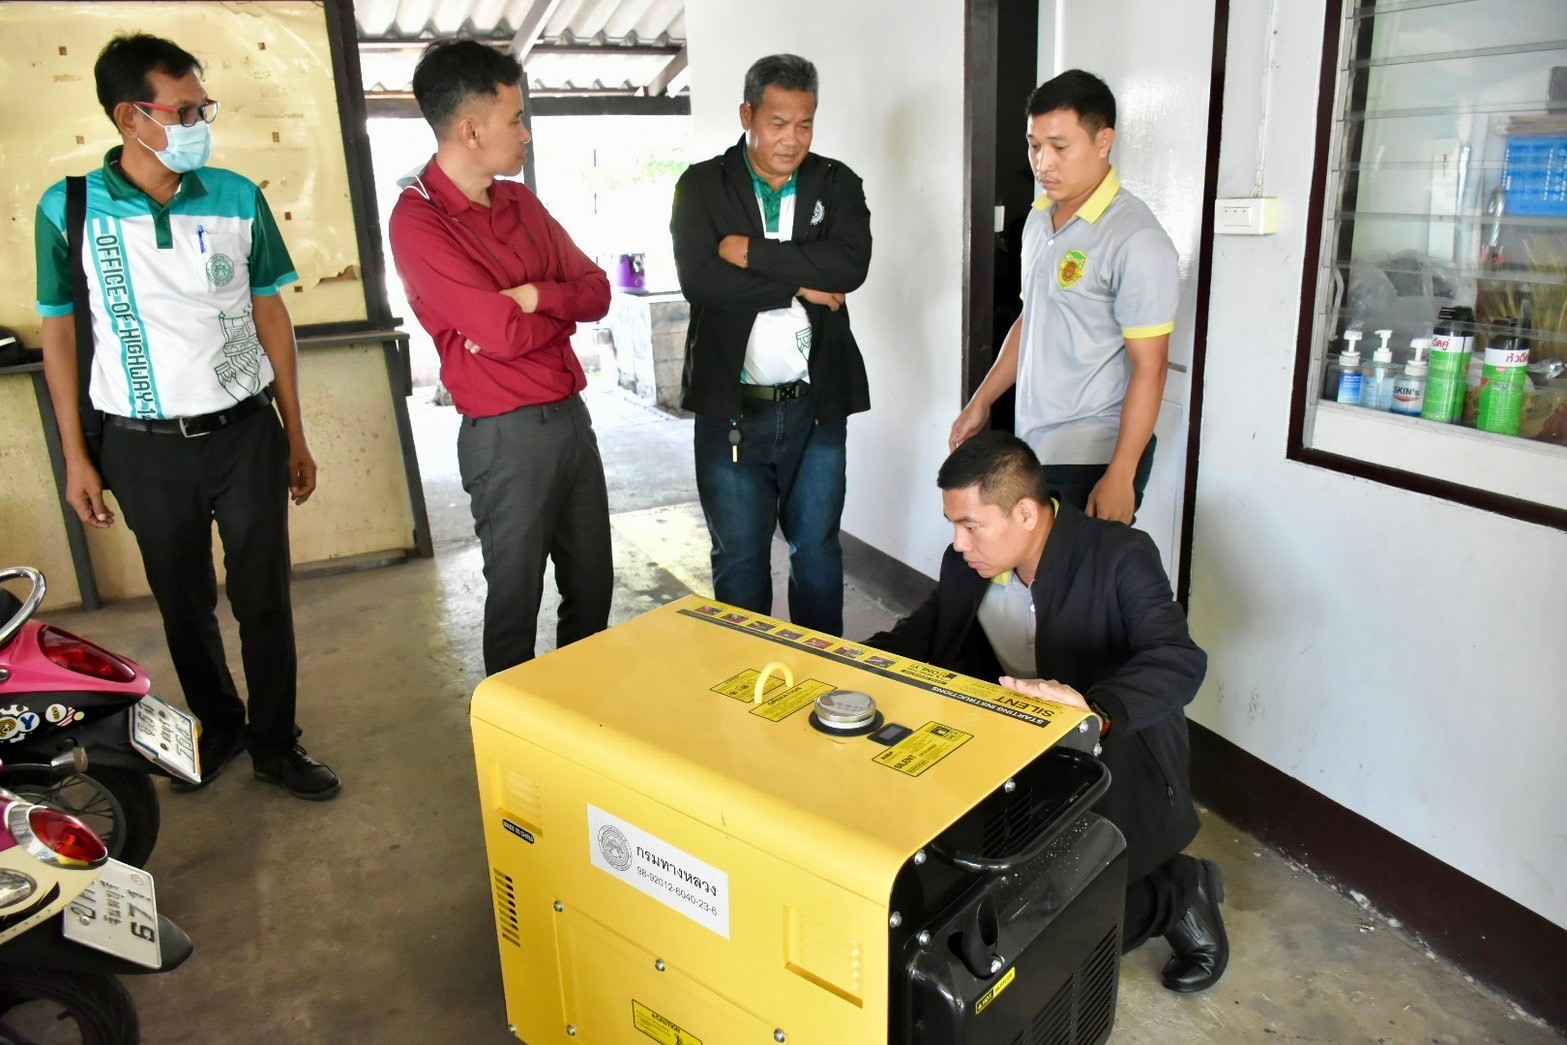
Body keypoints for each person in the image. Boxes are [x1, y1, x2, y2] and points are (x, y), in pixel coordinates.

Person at [34, 34, 338, 800]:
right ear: (129, 117)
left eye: (205, 107)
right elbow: (60, 333)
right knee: (183, 602)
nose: (200, 123)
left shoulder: (235, 196)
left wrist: (295, 432)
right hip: (142, 448)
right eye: (184, 110)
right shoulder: (70, 208)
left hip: (245, 433)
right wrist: (76, 456)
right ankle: (221, 725)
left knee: (264, 598)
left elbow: (270, 312)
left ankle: (276, 742)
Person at [866, 431, 1227, 993]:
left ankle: (1180, 889)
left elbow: (1178, 659)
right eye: (953, 525)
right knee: (981, 916)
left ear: (1026, 514)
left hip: (1117, 756)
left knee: (1060, 943)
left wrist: (1097, 712)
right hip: (1021, 753)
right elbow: (927, 631)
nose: (959, 543)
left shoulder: (1119, 555)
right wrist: (854, 664)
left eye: (971, 526)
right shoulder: (967, 564)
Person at [389, 40, 613, 675]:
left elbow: (597, 292)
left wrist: (537, 297)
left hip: (571, 419)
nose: (526, 134)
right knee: (515, 602)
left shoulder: (520, 203)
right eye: (516, 119)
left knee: (592, 587)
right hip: (506, 438)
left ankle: (578, 716)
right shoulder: (419, 221)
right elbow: (505, 332)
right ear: (470, 130)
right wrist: (545, 316)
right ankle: (509, 728)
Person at [671, 53, 872, 637]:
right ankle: (744, 671)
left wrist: (751, 253)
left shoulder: (836, 183)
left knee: (817, 549)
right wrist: (801, 284)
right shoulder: (702, 185)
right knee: (739, 557)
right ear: (748, 116)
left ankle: (822, 668)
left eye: (805, 124)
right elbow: (700, 280)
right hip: (732, 409)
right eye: (778, 123)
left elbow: (850, 266)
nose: (792, 139)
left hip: (817, 404)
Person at [950, 70, 1179, 523]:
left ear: (1103, 141)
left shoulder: (1136, 238)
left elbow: (1150, 368)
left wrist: (1121, 473)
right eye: (1034, 145)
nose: (1043, 163)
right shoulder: (1039, 220)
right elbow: (1032, 320)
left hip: (1094, 455)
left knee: (1080, 568)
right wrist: (982, 400)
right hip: (1035, 445)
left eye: (1059, 146)